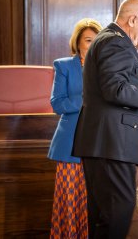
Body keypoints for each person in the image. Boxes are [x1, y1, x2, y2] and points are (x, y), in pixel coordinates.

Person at [72, 0, 138, 238]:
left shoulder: (111, 40)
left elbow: (120, 87)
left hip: (106, 142)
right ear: (133, 19)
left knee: (105, 216)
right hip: (111, 143)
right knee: (116, 212)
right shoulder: (115, 43)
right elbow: (115, 90)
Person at [47, 17, 103, 238]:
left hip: (100, 143)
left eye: (96, 41)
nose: (92, 45)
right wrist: (87, 99)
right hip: (70, 143)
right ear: (77, 42)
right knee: (71, 203)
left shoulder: (105, 68)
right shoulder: (64, 66)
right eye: (89, 40)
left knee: (96, 204)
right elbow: (57, 104)